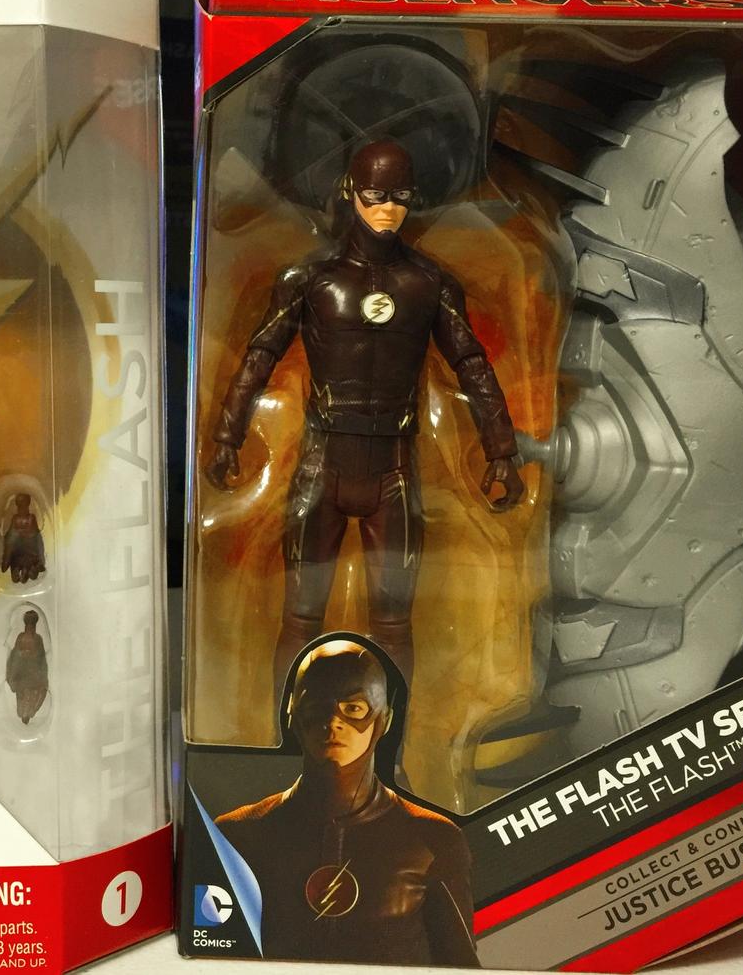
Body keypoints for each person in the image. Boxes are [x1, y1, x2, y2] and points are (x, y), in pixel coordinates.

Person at [206, 139, 523, 694]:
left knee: (394, 623)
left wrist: (501, 449)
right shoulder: (309, 279)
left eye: (400, 196)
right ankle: (285, 734)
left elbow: (471, 364)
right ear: (350, 191)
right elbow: (260, 355)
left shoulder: (430, 283)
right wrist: (228, 436)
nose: (388, 209)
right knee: (300, 617)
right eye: (376, 195)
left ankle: (392, 736)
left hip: (394, 471)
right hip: (321, 466)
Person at [217, 639, 479, 966]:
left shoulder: (435, 840)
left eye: (353, 708)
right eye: (318, 706)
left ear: (384, 719)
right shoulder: (236, 836)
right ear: (293, 713)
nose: (333, 722)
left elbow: (461, 968)